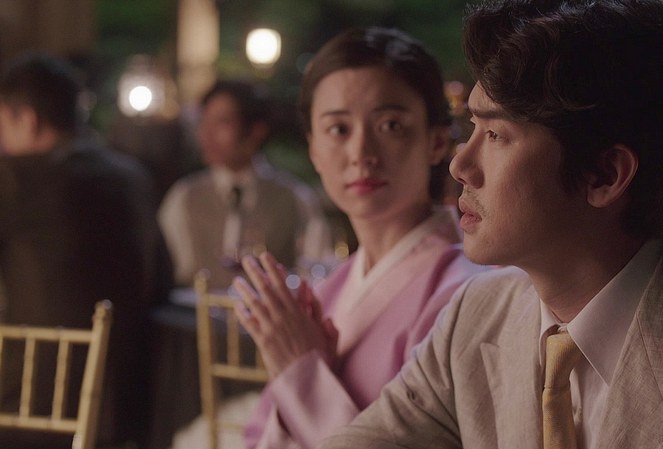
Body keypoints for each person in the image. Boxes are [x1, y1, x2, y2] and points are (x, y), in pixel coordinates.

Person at [318, 1, 663, 448]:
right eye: (470, 128)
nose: (460, 165)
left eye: (496, 135)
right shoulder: (477, 317)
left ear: (605, 175)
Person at [170, 27, 487, 449]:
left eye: (390, 125)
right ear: (314, 149)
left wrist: (302, 372)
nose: (361, 152)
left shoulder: (466, 291)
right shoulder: (329, 291)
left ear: (436, 141)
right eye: (338, 129)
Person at [0, 53, 162, 448]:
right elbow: (160, 279)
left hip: (31, 406)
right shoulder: (133, 177)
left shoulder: (15, 180)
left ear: (28, 120)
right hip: (126, 406)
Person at [158, 79, 333, 291]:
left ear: (256, 131)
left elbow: (317, 270)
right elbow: (171, 272)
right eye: (204, 122)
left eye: (222, 122)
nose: (206, 134)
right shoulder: (185, 196)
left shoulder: (294, 197)